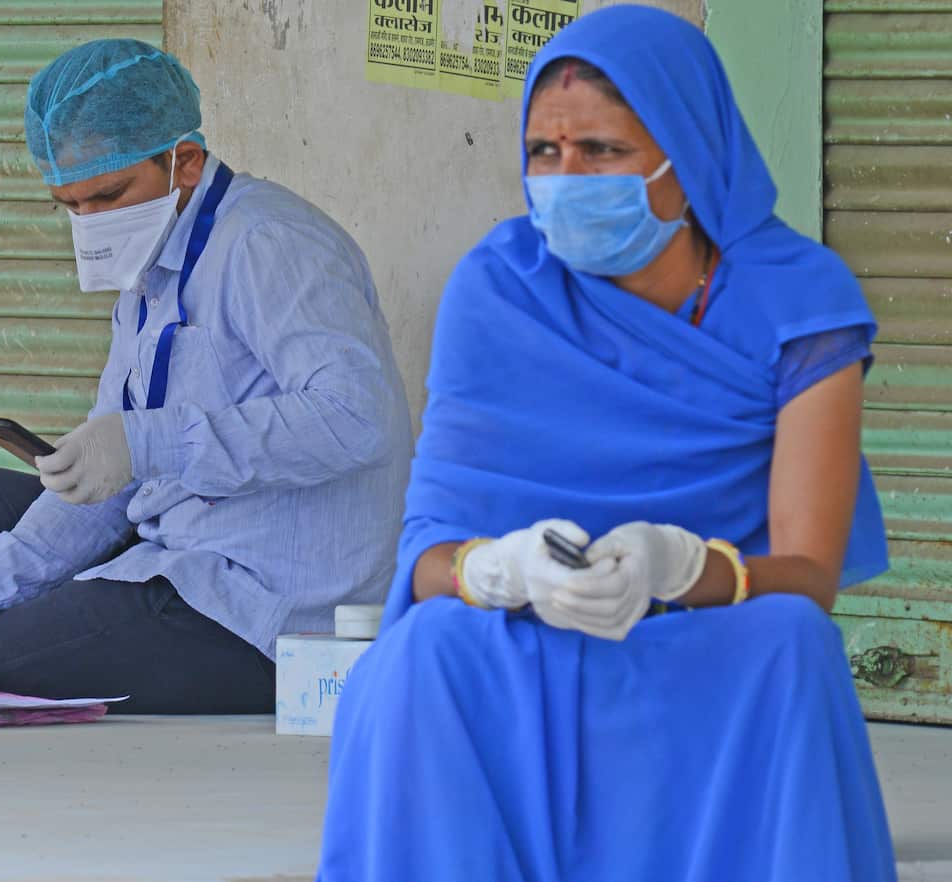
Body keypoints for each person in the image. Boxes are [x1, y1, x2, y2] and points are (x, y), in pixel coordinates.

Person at [317, 7, 896, 881]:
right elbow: (428, 560)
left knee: (792, 642)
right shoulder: (498, 286)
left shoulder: (800, 298)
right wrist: (500, 570)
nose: (566, 177)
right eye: (543, 153)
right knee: (422, 654)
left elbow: (809, 575)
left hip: (712, 631)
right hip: (530, 632)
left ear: (687, 154)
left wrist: (677, 567)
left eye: (602, 151)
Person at [0, 39, 412, 713]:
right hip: (173, 546)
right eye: (69, 205)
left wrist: (147, 443)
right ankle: (58, 640)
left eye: (109, 195)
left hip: (260, 608)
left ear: (183, 161)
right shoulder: (150, 266)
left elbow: (360, 417)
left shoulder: (268, 245)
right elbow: (105, 486)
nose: (91, 224)